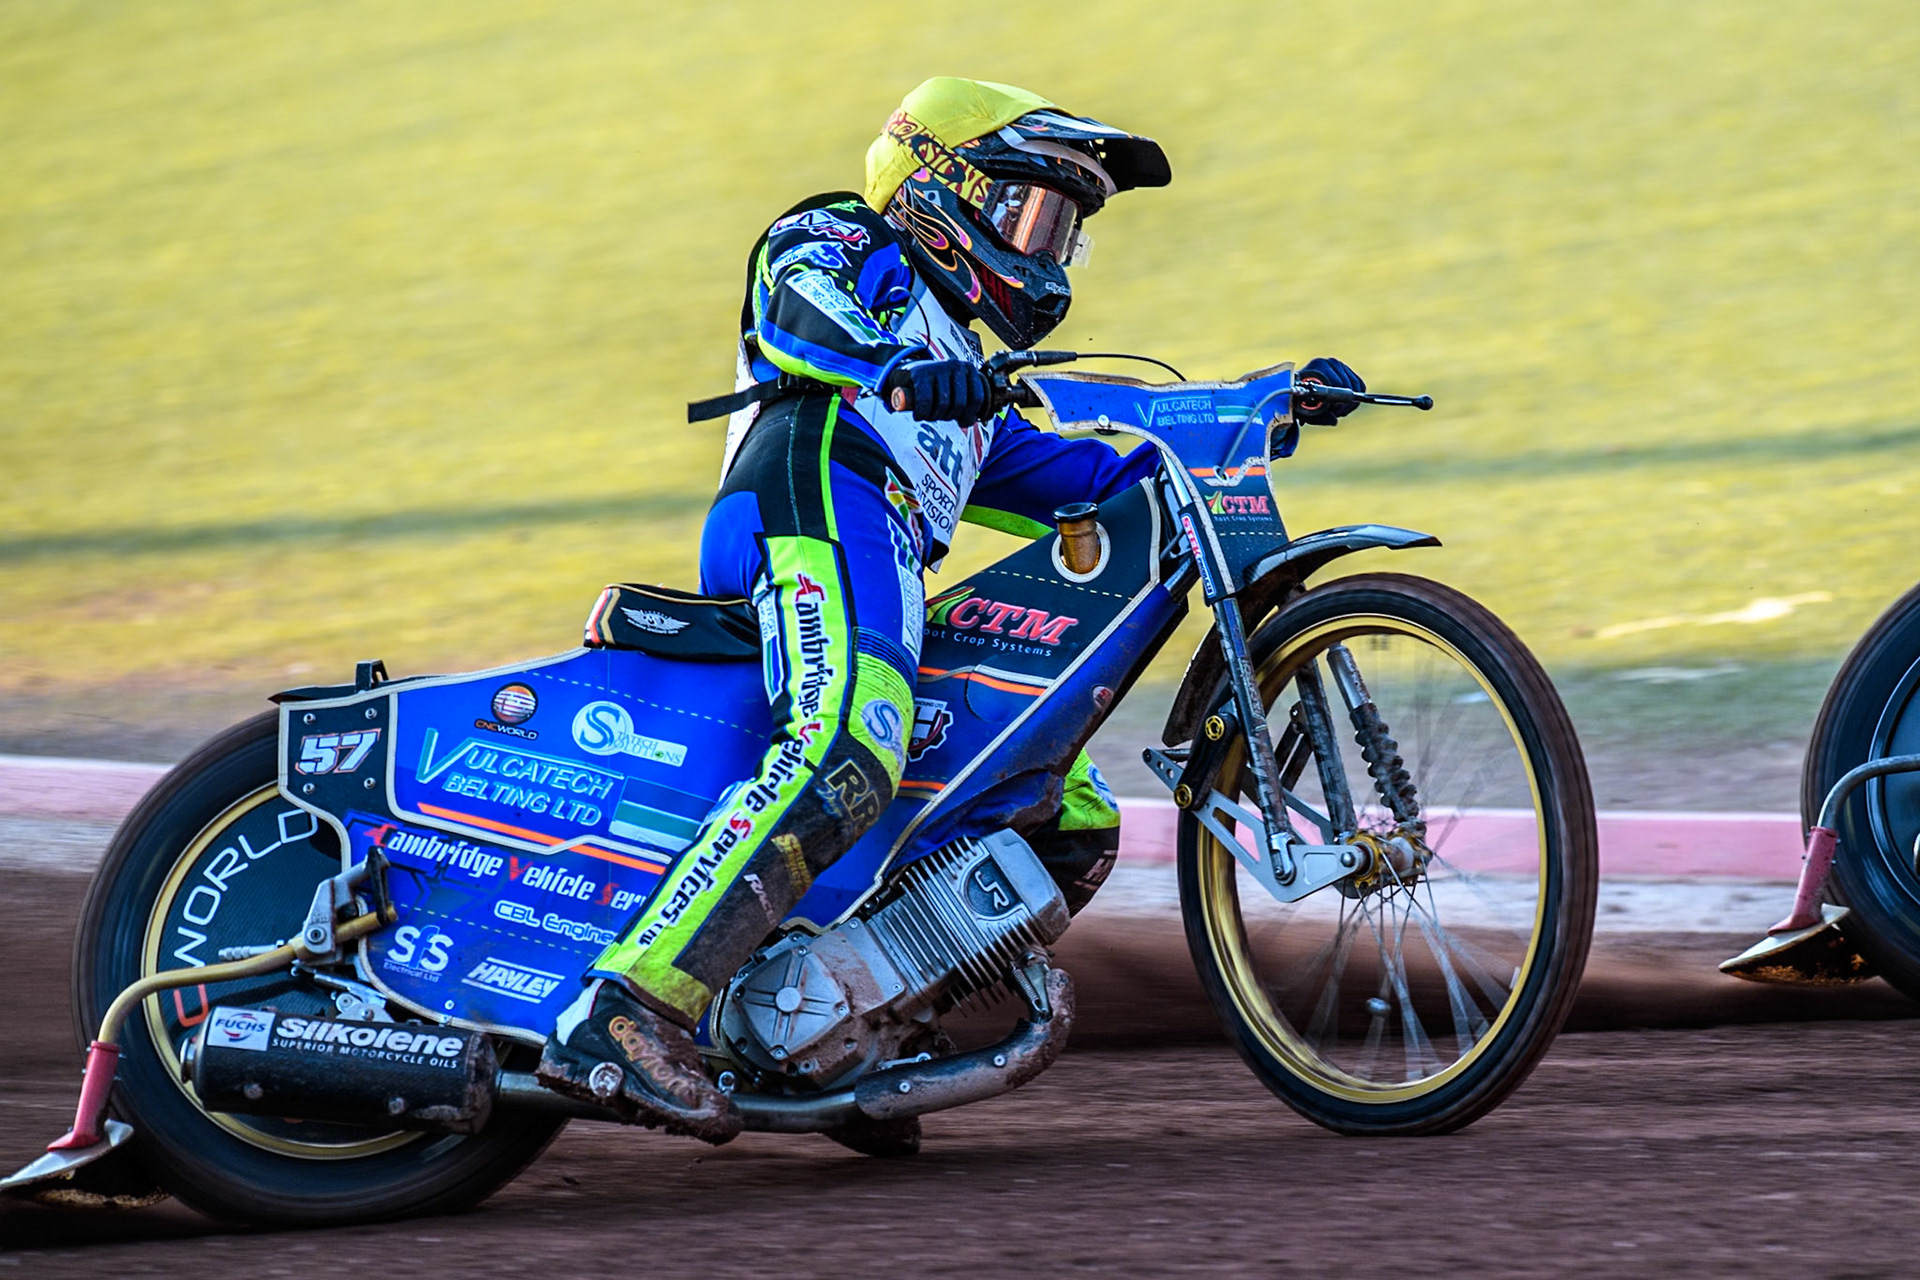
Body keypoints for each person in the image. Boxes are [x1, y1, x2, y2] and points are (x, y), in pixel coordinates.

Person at [536, 77, 1366, 1142]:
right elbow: (798, 307)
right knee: (849, 744)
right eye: (1033, 214)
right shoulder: (843, 232)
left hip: (876, 547)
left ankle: (833, 1025)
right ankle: (629, 1006)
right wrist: (896, 365)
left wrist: (1263, 409)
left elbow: (1105, 478)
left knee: (1064, 816)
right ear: (942, 187)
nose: (1049, 251)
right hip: (814, 490)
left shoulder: (969, 390)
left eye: (1065, 231)